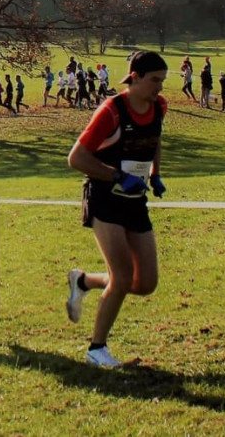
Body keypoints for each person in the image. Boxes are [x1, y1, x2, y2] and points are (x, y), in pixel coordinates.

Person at [65, 51, 168, 368]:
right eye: (154, 81)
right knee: (122, 278)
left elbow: (154, 139)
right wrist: (117, 175)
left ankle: (83, 281)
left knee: (145, 283)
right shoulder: (111, 111)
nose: (159, 89)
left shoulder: (159, 107)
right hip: (104, 198)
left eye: (162, 81)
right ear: (134, 77)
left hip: (135, 201)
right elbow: (76, 158)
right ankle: (97, 350)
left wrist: (155, 174)